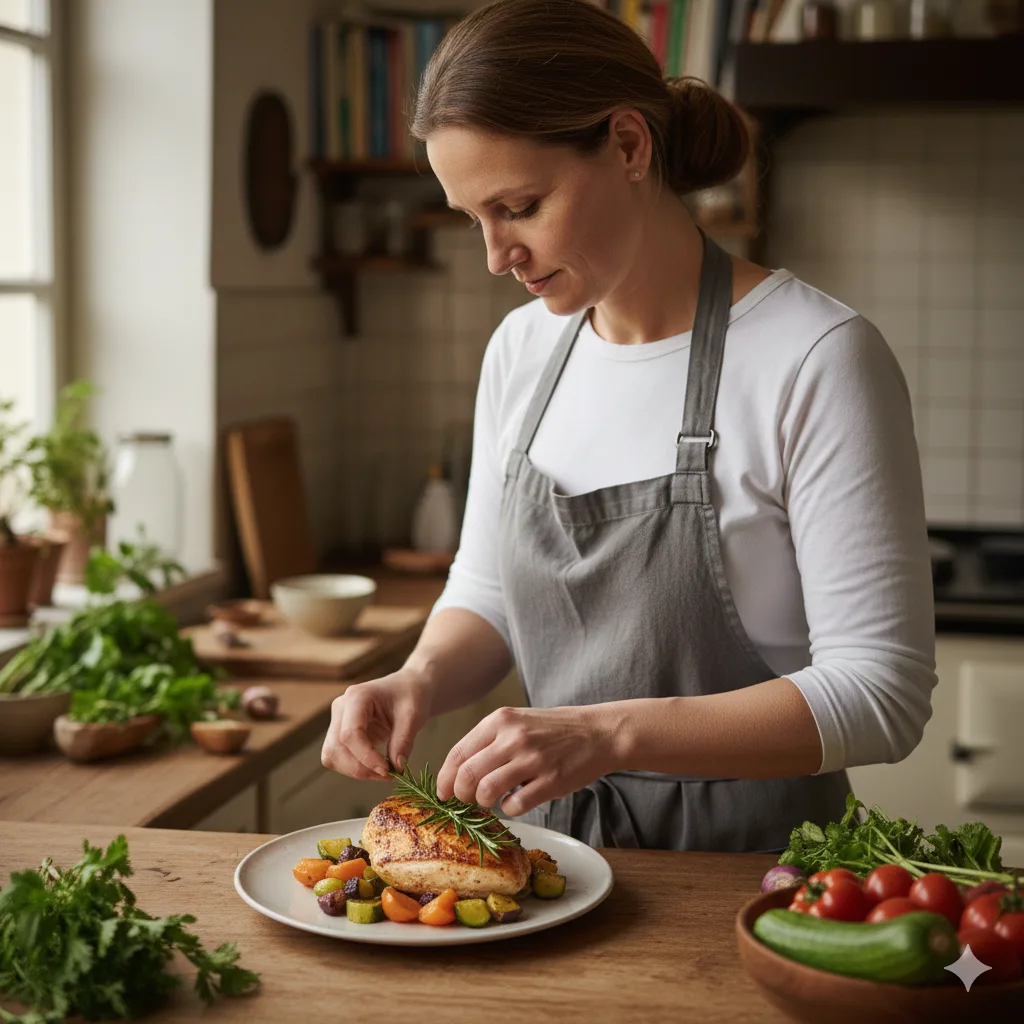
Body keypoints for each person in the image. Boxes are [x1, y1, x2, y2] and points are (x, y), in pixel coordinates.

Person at [320, 0, 936, 852]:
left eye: (521, 206)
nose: (497, 256)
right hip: (547, 870)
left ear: (629, 146)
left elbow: (882, 695)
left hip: (754, 887)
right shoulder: (521, 350)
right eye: (475, 220)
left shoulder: (817, 357)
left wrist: (606, 735)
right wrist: (417, 677)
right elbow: (490, 589)